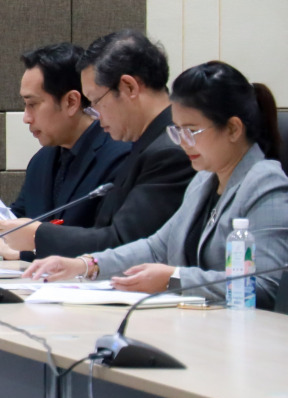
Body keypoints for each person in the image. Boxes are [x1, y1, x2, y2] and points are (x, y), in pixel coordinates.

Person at [25, 62, 288, 308]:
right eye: (177, 130)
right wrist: (87, 265)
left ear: (233, 129)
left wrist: (173, 278)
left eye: (191, 131)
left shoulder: (265, 184)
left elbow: (264, 286)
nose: (182, 143)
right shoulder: (204, 180)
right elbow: (156, 247)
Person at [0, 43, 130, 259]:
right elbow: (14, 224)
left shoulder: (120, 157)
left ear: (71, 102)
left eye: (32, 104)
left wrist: (25, 253)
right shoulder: (42, 160)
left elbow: (110, 244)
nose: (26, 118)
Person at [12, 30, 195, 262]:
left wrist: (38, 235)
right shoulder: (146, 144)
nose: (95, 114)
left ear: (129, 87)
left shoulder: (169, 152)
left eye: (96, 101)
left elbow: (126, 243)